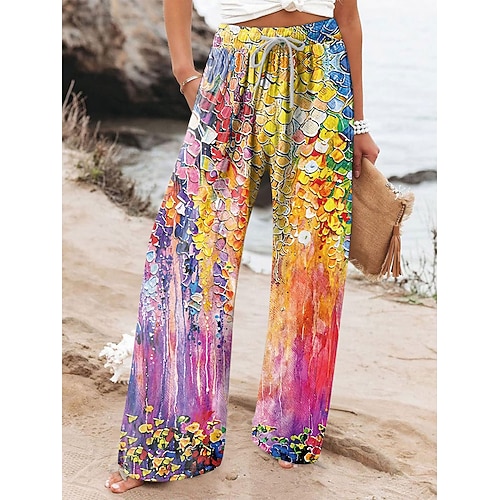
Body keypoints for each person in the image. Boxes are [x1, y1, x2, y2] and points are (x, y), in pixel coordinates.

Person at [105, 0, 379, 493]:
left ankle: (290, 429)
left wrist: (358, 123)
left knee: (313, 258)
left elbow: (349, 16)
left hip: (322, 76)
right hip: (233, 71)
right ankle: (166, 442)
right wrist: (185, 73)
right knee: (188, 250)